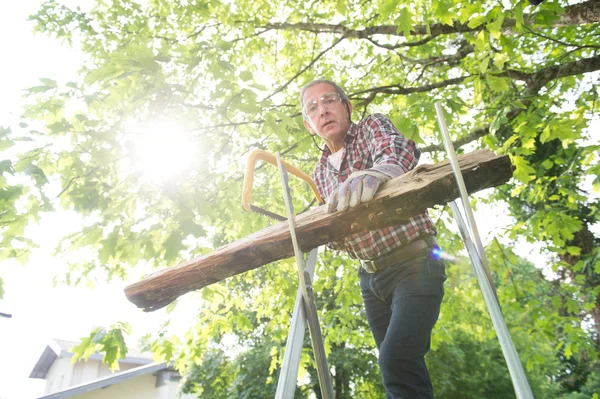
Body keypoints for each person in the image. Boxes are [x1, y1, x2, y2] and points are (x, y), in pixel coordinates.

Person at [300, 79, 446, 399]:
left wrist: (380, 173)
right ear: (309, 124)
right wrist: (333, 236)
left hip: (415, 262)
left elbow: (398, 150)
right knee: (400, 366)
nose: (323, 110)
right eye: (313, 108)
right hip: (371, 280)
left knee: (396, 359)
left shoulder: (370, 127)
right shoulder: (319, 173)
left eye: (329, 100)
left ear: (347, 106)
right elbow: (345, 230)